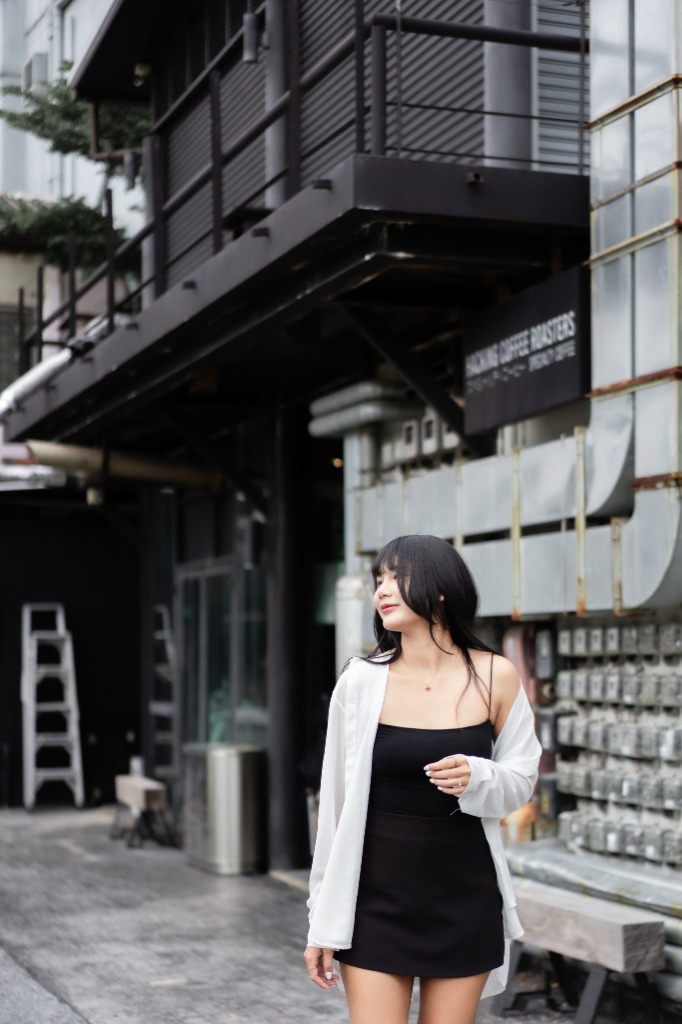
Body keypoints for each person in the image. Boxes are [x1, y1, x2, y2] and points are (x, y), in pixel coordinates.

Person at [303, 534, 542, 1024]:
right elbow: (336, 806)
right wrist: (320, 918)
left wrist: (479, 775)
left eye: (396, 576)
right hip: (374, 900)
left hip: (464, 897)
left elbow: (522, 779)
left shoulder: (496, 675)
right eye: (378, 580)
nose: (382, 590)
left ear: (438, 589)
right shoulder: (360, 681)